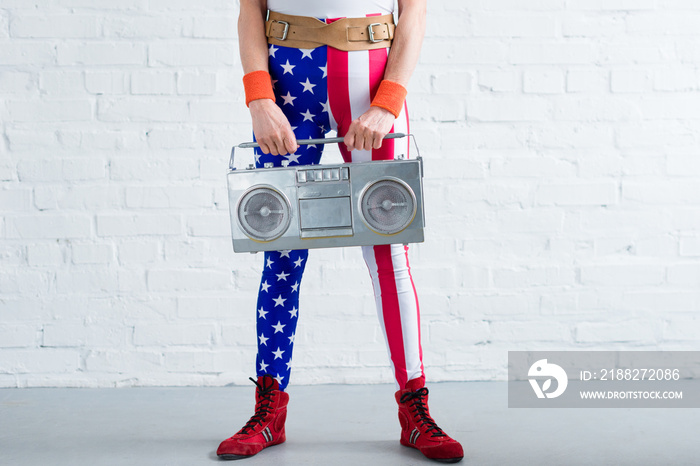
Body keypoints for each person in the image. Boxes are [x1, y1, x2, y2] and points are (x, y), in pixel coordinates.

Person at [217, 0, 464, 462]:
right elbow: (250, 8)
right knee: (281, 247)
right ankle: (269, 409)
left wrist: (388, 101)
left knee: (389, 246)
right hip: (288, 78)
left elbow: (415, 9)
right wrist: (258, 98)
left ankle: (415, 408)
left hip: (370, 76)